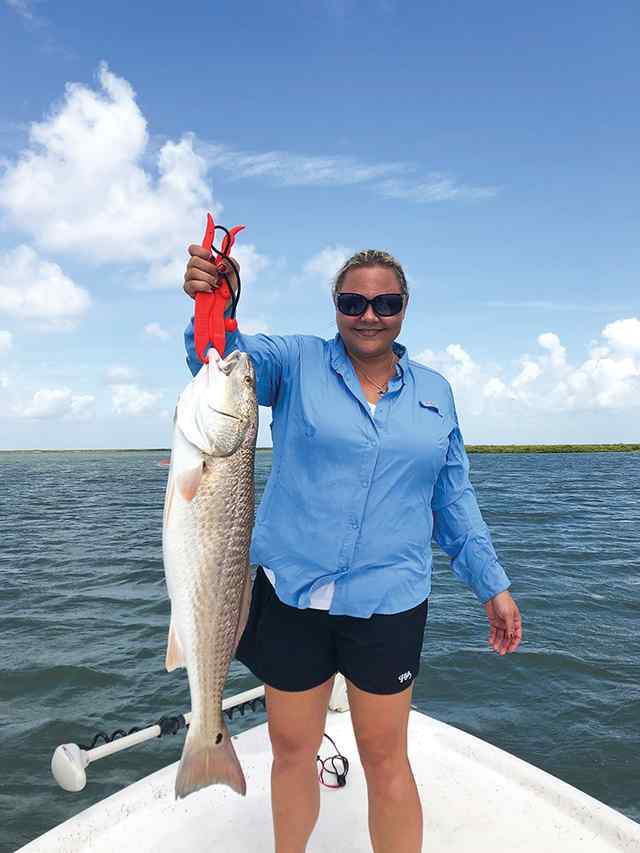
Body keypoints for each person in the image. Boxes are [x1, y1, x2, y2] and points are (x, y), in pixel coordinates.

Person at [182, 245, 523, 853]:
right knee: (291, 753)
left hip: (388, 602)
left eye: (385, 302)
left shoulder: (435, 393)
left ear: (404, 308)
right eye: (353, 302)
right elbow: (218, 361)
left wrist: (491, 584)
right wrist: (216, 302)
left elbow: (452, 499)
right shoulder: (294, 362)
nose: (370, 315)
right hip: (291, 597)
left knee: (386, 759)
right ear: (336, 307)